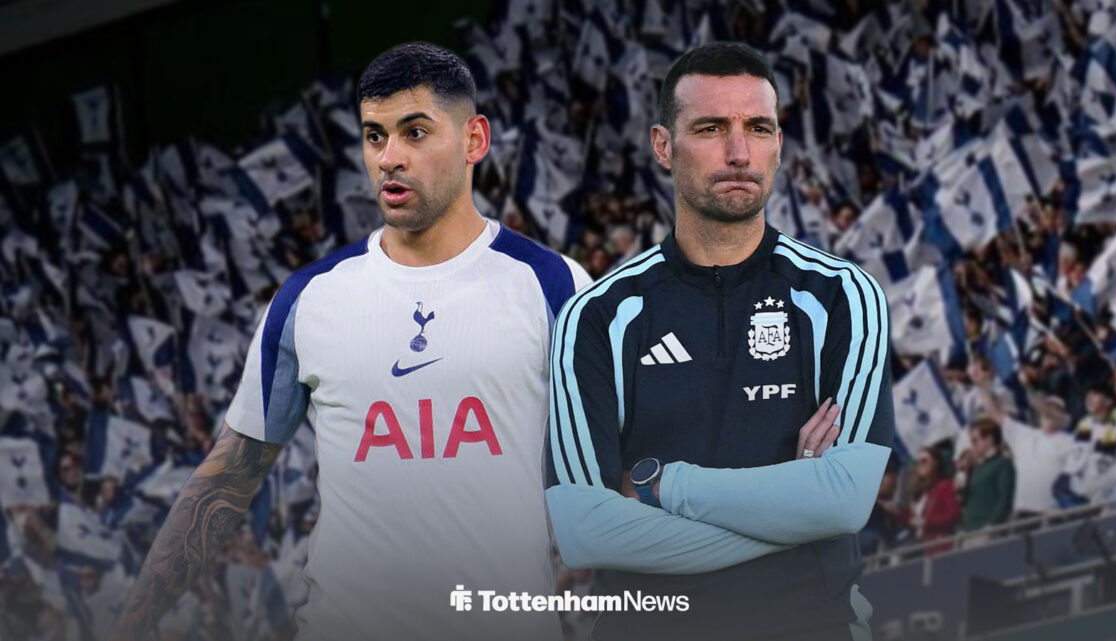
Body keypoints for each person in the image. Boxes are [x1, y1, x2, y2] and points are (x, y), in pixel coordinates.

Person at [110, 42, 589, 641]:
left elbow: (622, 462)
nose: (389, 157)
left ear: (474, 140)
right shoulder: (310, 299)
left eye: (415, 132)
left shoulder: (555, 285)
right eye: (374, 136)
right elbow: (227, 481)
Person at [544, 42, 894, 641]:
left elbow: (842, 503)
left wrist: (659, 486)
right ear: (663, 145)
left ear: (778, 144)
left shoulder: (842, 296)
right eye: (710, 128)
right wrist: (791, 507)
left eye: (758, 128)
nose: (739, 153)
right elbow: (586, 533)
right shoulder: (598, 316)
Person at [959, 418, 1016, 534]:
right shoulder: (976, 468)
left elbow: (1005, 499)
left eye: (975, 441)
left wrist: (993, 525)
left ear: (989, 439)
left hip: (987, 530)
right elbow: (967, 501)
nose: (972, 445)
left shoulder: (1002, 464)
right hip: (970, 529)